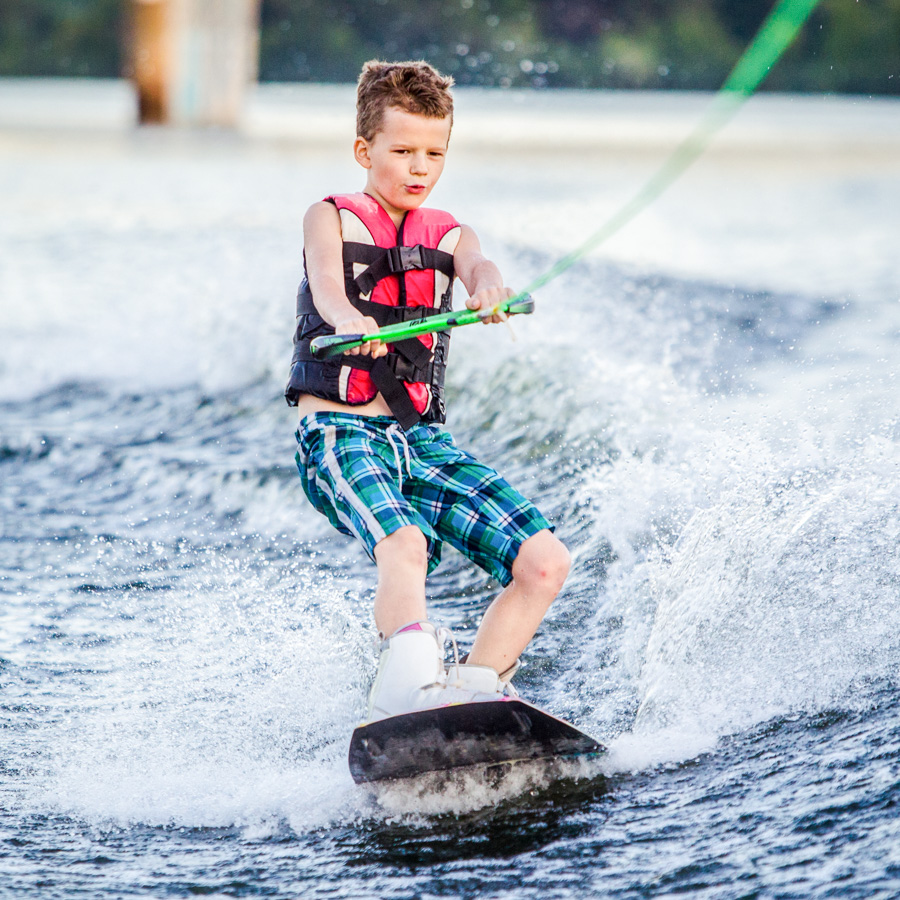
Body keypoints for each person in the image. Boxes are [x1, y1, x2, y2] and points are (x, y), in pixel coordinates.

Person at [285, 59, 570, 722]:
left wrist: (489, 290)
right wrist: (348, 319)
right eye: (403, 151)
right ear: (364, 150)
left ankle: (473, 696)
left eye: (434, 154)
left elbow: (479, 265)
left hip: (424, 444)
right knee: (405, 545)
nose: (420, 168)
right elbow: (328, 283)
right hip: (338, 432)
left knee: (545, 563)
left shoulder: (451, 233)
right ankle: (405, 698)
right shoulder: (328, 218)